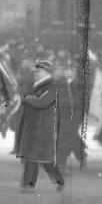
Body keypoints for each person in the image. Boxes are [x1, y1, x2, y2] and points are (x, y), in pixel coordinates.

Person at [15, 60, 65, 192]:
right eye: (35, 72)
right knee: (32, 155)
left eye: (38, 72)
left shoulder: (52, 87)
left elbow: (41, 102)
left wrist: (26, 98)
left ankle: (57, 180)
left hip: (44, 127)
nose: (35, 74)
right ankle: (28, 184)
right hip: (33, 125)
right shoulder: (36, 85)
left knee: (44, 158)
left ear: (47, 72)